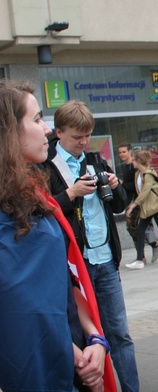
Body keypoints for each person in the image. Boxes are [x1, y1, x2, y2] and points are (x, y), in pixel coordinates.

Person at [0, 81, 116, 392]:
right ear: (9, 132)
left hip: (70, 343)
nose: (47, 129)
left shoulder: (32, 189)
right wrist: (72, 351)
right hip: (36, 360)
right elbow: (22, 305)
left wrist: (94, 335)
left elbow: (62, 279)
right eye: (36, 119)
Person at [41, 100, 140, 392]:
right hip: (74, 265)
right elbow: (41, 212)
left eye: (87, 136)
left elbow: (119, 205)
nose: (83, 143)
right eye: (76, 137)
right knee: (84, 336)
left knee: (119, 334)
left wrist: (115, 184)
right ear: (59, 132)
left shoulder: (94, 160)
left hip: (105, 260)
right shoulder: (46, 167)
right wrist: (71, 193)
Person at [117, 142, 158, 261]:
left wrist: (123, 184)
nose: (121, 154)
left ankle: (145, 253)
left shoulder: (138, 169)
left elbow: (139, 187)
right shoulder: (127, 167)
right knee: (137, 228)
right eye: (119, 152)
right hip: (136, 201)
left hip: (142, 202)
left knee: (138, 227)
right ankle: (143, 254)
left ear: (130, 152)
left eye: (124, 152)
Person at [124, 150, 158, 269]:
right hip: (147, 208)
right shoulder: (137, 174)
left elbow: (144, 192)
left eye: (133, 160)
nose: (132, 162)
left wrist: (133, 206)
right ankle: (139, 260)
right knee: (140, 231)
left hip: (155, 206)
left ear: (138, 161)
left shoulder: (148, 174)